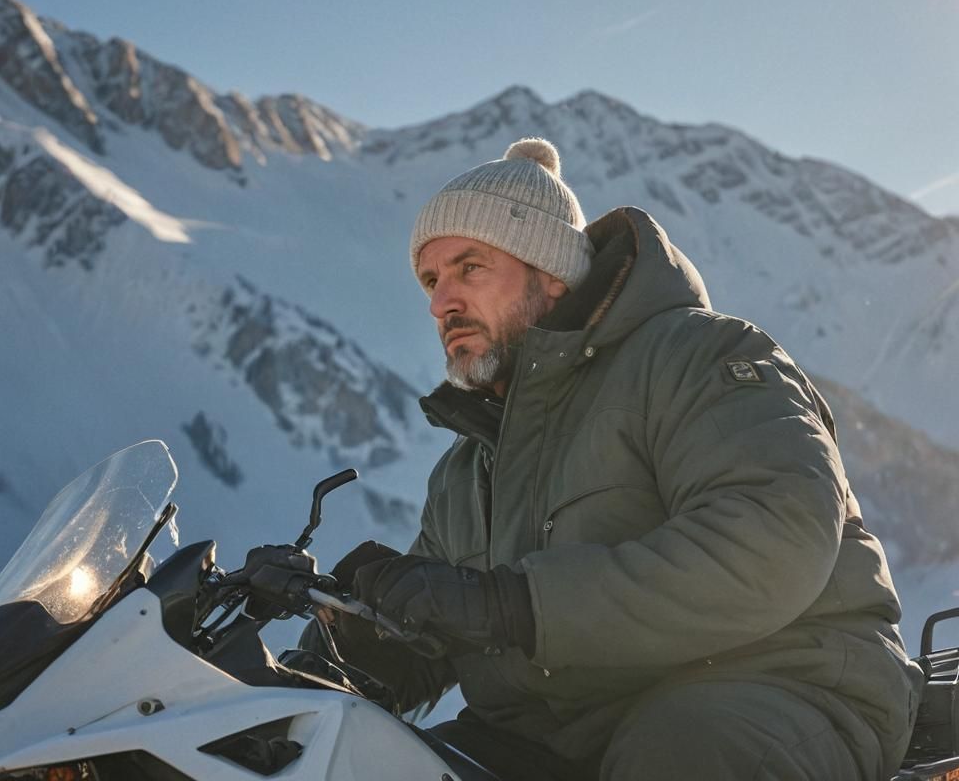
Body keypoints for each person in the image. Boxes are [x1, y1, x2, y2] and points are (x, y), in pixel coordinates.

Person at [310, 137, 925, 780]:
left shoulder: (695, 356)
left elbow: (775, 541)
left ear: (550, 271)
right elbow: (450, 621)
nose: (441, 303)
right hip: (564, 729)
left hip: (780, 688)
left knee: (676, 757)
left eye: (470, 268)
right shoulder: (469, 466)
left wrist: (515, 605)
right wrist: (361, 638)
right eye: (432, 281)